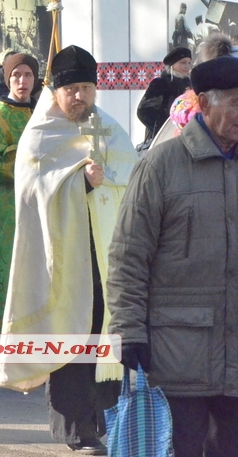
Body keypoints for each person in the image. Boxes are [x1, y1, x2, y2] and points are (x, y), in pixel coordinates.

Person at [0, 45, 138, 454]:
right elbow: (33, 189)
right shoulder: (41, 133)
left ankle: (101, 419)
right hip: (63, 255)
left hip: (107, 256)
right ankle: (77, 430)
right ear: (55, 90)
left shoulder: (109, 128)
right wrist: (80, 182)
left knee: (102, 333)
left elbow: (130, 181)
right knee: (70, 335)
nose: (79, 97)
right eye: (71, 88)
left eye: (87, 88)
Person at [108, 55, 238, 457]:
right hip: (177, 351)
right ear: (203, 102)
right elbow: (129, 255)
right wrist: (128, 330)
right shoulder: (161, 166)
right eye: (234, 101)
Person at [0, 53, 38, 341]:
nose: (22, 81)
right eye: (16, 76)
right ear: (6, 79)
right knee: (8, 271)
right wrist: (33, 160)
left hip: (44, 206)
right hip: (7, 208)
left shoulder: (46, 115)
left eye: (27, 75)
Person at [136, 46, 191, 150]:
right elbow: (143, 111)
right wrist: (163, 129)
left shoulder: (190, 85)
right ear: (173, 65)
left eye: (189, 63)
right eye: (183, 62)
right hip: (161, 142)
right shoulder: (160, 84)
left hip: (186, 140)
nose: (187, 66)